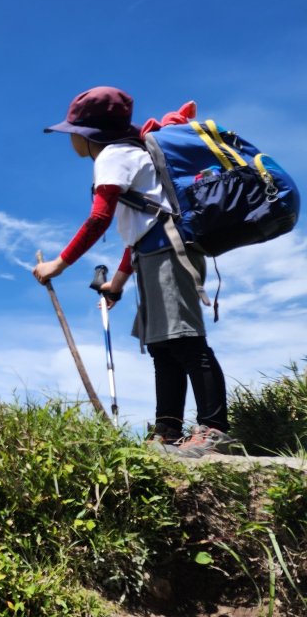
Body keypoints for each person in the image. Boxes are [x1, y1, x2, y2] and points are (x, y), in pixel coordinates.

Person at [31, 86, 235, 457]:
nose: (71, 139)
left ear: (87, 134)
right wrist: (117, 284)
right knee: (162, 346)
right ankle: (167, 429)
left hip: (168, 253)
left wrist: (58, 264)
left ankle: (215, 430)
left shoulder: (112, 156)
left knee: (186, 340)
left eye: (73, 131)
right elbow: (137, 231)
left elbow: (98, 218)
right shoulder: (128, 154)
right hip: (153, 255)